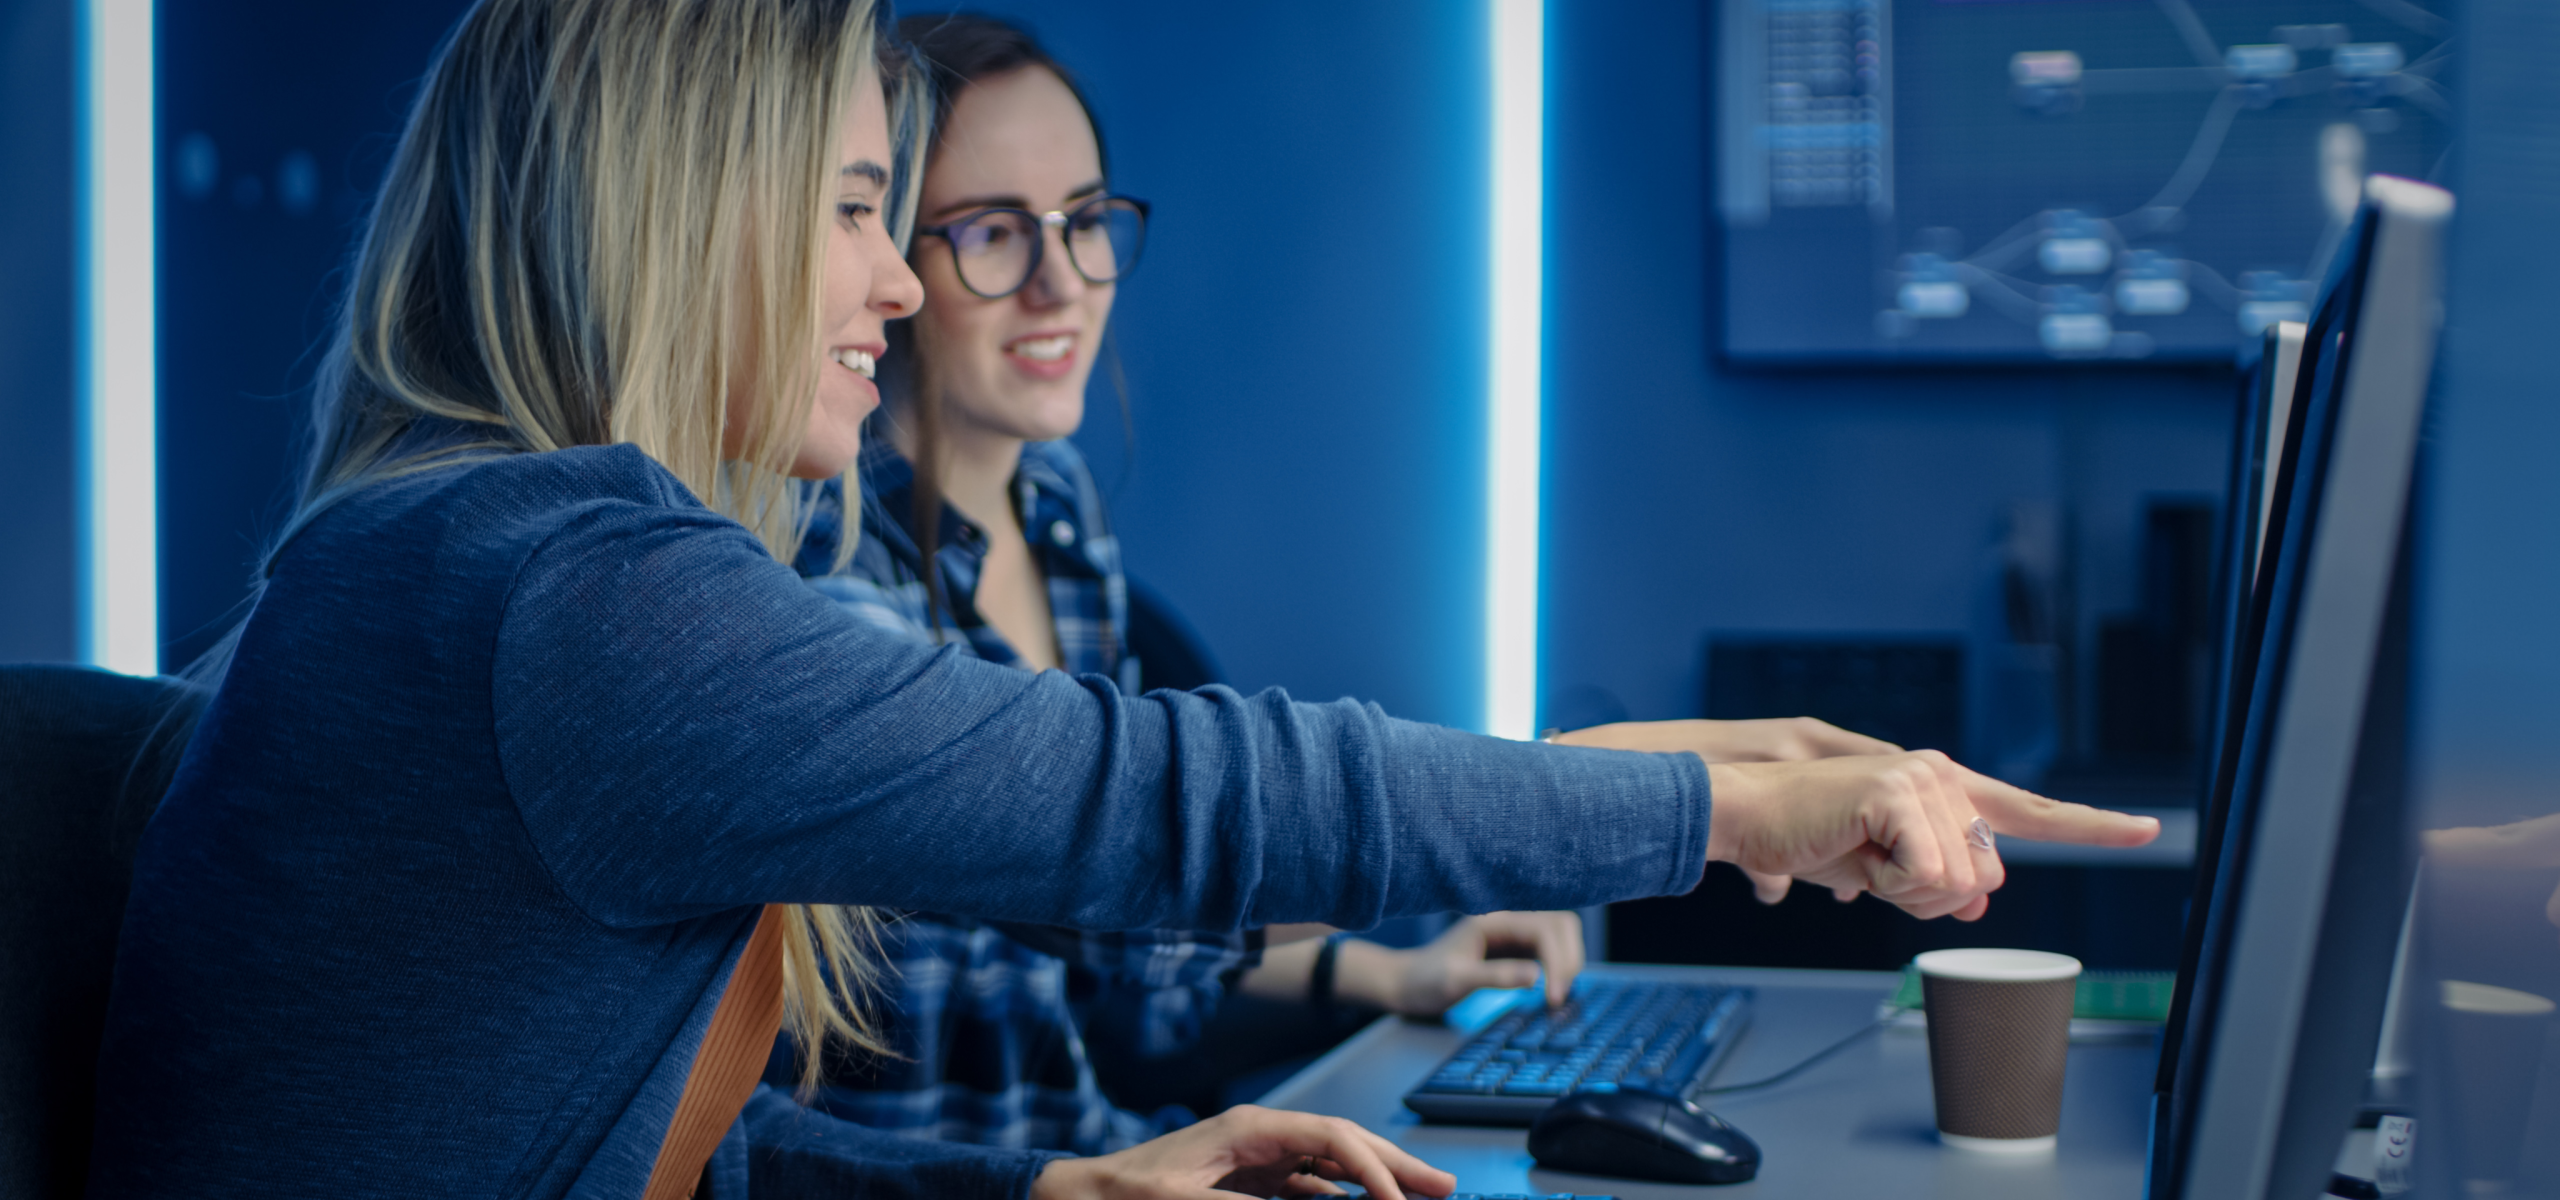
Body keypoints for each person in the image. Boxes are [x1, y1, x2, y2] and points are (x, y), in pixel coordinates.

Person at [85, 0, 2160, 1196]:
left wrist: (1043, 1190)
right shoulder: (573, 596)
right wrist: (1704, 805)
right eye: (854, 216)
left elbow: (631, 1150)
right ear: (677, 218)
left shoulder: (436, 556)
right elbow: (1166, 802)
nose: (897, 290)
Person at [778, 14, 1657, 1152]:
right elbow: (1108, 877)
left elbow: (1141, 967)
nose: (1061, 283)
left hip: (1095, 1155)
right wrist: (1608, 808)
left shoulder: (1056, 517)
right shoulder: (814, 568)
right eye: (993, 232)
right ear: (887, 256)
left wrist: (1380, 974)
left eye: (1085, 222)